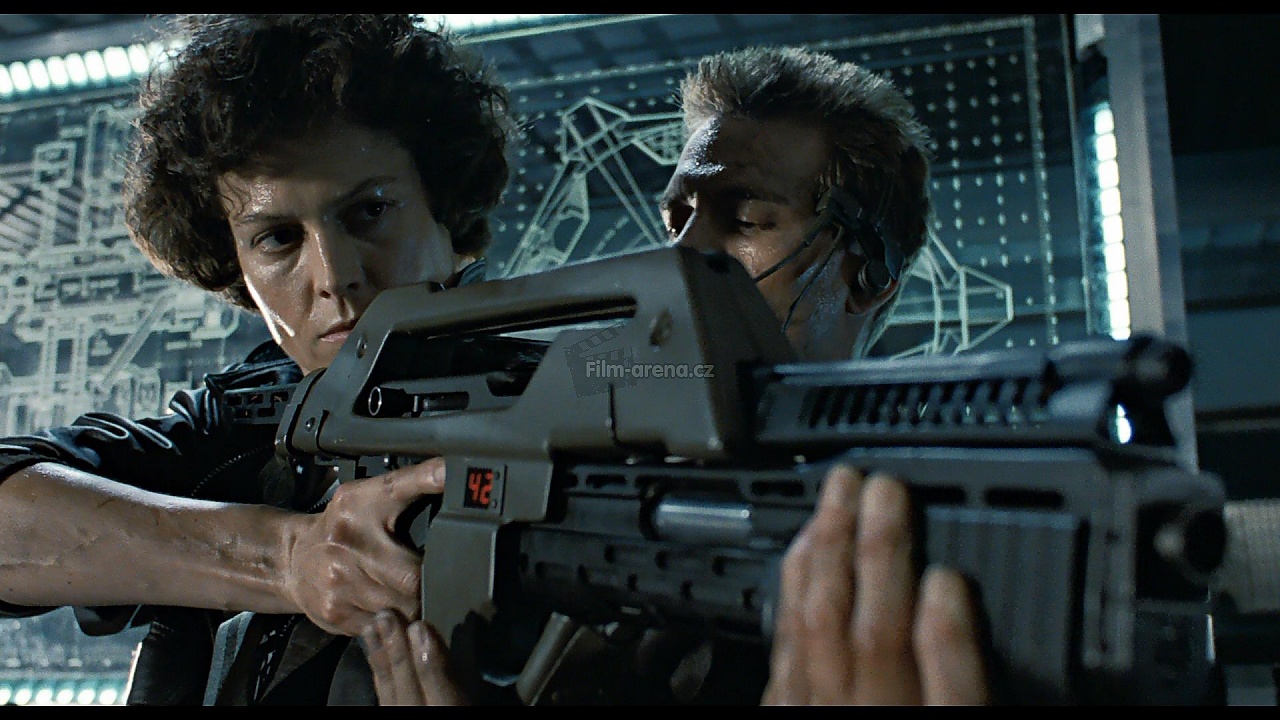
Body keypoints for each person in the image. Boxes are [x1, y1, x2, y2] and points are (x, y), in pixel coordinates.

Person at [359, 45, 991, 705]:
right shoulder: (585, 449)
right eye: (677, 219)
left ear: (869, 276)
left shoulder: (922, 518)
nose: (684, 252)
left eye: (746, 221)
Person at [0, 13, 513, 705]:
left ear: (445, 211)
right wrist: (287, 558)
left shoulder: (577, 402)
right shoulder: (244, 424)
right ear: (237, 267)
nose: (334, 275)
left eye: (369, 212)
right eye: (277, 238)